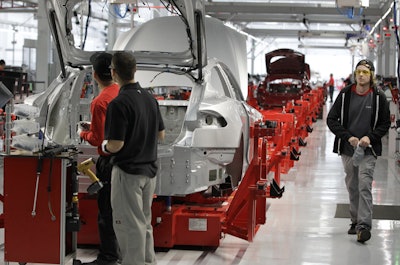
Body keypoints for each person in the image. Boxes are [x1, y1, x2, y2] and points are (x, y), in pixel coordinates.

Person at [102, 51, 165, 265]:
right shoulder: (150, 99)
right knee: (144, 223)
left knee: (129, 225)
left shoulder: (119, 103)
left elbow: (115, 144)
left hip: (128, 173)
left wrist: (104, 145)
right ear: (135, 70)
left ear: (113, 72)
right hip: (150, 172)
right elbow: (161, 135)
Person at [326, 59, 390, 243]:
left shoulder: (378, 97)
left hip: (368, 150)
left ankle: (364, 226)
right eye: (358, 71)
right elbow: (332, 119)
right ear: (355, 74)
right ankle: (354, 221)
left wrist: (370, 137)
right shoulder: (345, 94)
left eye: (365, 72)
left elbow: (385, 123)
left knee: (364, 185)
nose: (361, 75)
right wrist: (348, 137)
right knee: (352, 185)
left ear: (371, 76)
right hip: (348, 149)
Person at [78, 52, 121, 265]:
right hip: (127, 161)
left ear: (94, 75)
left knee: (106, 212)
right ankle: (121, 255)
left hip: (109, 162)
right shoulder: (122, 92)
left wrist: (83, 134)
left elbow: (97, 139)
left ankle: (108, 258)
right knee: (122, 211)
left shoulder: (99, 101)